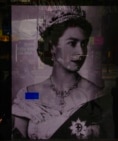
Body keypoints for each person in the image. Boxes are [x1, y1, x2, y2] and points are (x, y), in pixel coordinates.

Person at [12, 6, 106, 140]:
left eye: (84, 44)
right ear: (52, 47)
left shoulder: (94, 93)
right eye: (72, 43)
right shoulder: (29, 94)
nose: (81, 53)